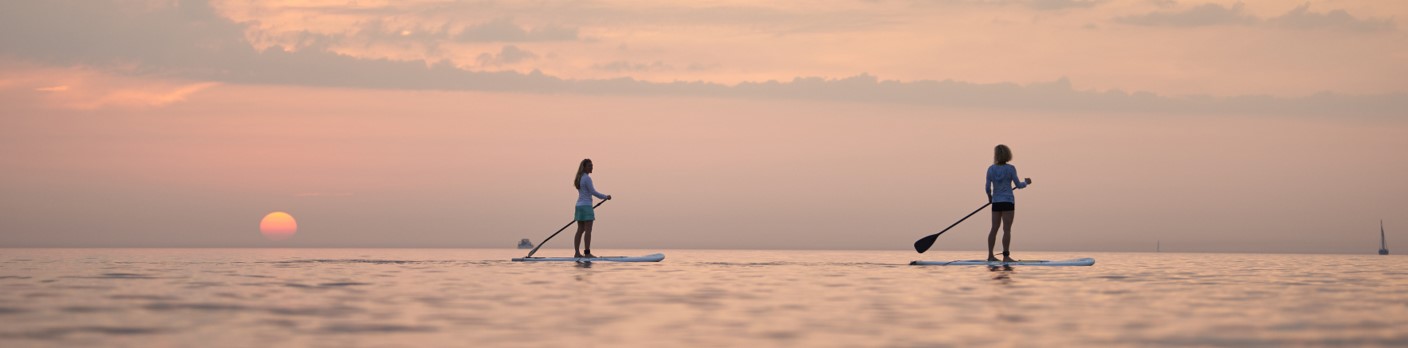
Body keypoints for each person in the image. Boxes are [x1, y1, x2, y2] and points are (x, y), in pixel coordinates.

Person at [985, 144, 1032, 263]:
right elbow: (1019, 185)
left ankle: (990, 255)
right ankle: (1006, 256)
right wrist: (1026, 182)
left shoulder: (991, 169)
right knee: (1007, 229)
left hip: (996, 202)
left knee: (994, 228)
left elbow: (987, 187)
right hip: (1008, 202)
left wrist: (990, 198)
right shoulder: (1010, 168)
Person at [573, 159, 611, 258]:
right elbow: (593, 192)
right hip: (586, 206)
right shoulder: (587, 178)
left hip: (579, 206)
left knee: (580, 230)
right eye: (589, 166)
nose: (592, 167)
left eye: (592, 165)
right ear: (584, 167)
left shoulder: (580, 178)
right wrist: (605, 196)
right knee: (588, 231)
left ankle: (577, 253)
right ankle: (587, 253)